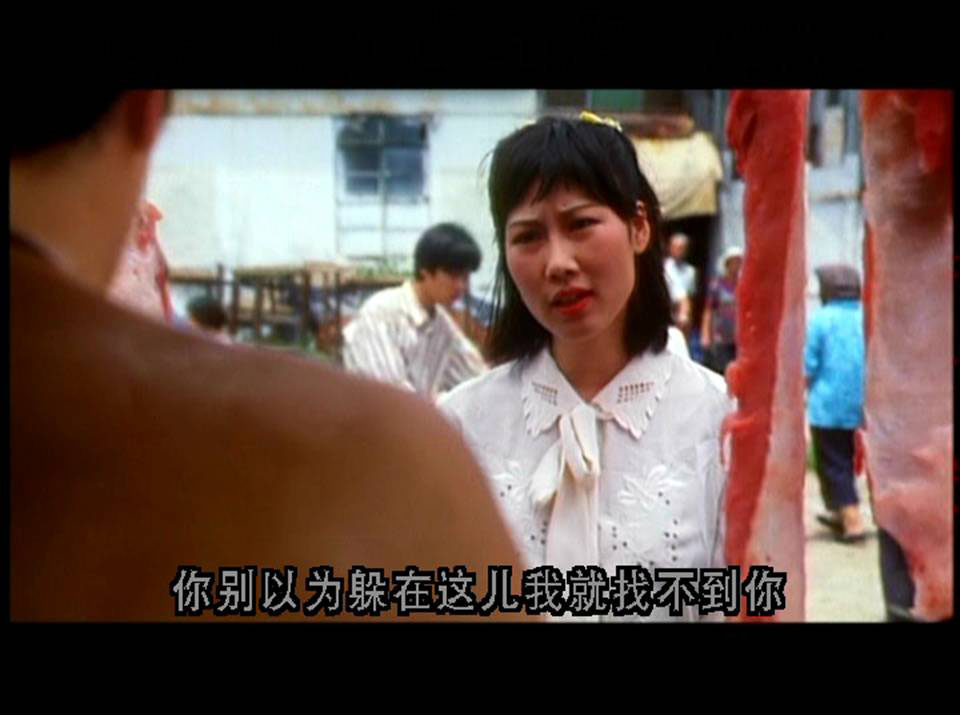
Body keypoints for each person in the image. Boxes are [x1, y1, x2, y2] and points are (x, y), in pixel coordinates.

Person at [11, 90, 527, 621]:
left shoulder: (433, 345)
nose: (462, 288)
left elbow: (477, 372)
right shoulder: (375, 443)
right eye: (457, 276)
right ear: (145, 108)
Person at [439, 113, 733, 622]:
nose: (558, 262)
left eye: (581, 225)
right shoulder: (461, 426)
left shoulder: (719, 422)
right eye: (528, 236)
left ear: (639, 227)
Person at [342, 223, 488, 400]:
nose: (461, 286)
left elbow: (478, 376)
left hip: (416, 415)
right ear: (425, 271)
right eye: (453, 275)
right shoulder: (382, 314)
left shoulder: (441, 324)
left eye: (465, 277)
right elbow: (391, 398)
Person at [805, 264, 867, 543]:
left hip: (827, 405)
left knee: (833, 462)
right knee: (846, 458)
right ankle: (838, 513)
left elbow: (809, 364)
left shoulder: (821, 320)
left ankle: (852, 521)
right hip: (860, 404)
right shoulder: (867, 317)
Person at [701, 245, 742, 377]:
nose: (737, 265)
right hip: (721, 337)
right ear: (727, 264)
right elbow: (709, 311)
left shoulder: (743, 285)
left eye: (739, 262)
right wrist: (706, 334)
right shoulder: (717, 285)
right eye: (734, 262)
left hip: (739, 337)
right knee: (723, 371)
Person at [663, 232, 697, 337]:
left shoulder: (690, 271)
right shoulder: (663, 267)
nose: (679, 251)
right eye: (676, 247)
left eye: (682, 248)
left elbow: (690, 296)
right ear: (670, 248)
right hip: (665, 309)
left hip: (682, 313)